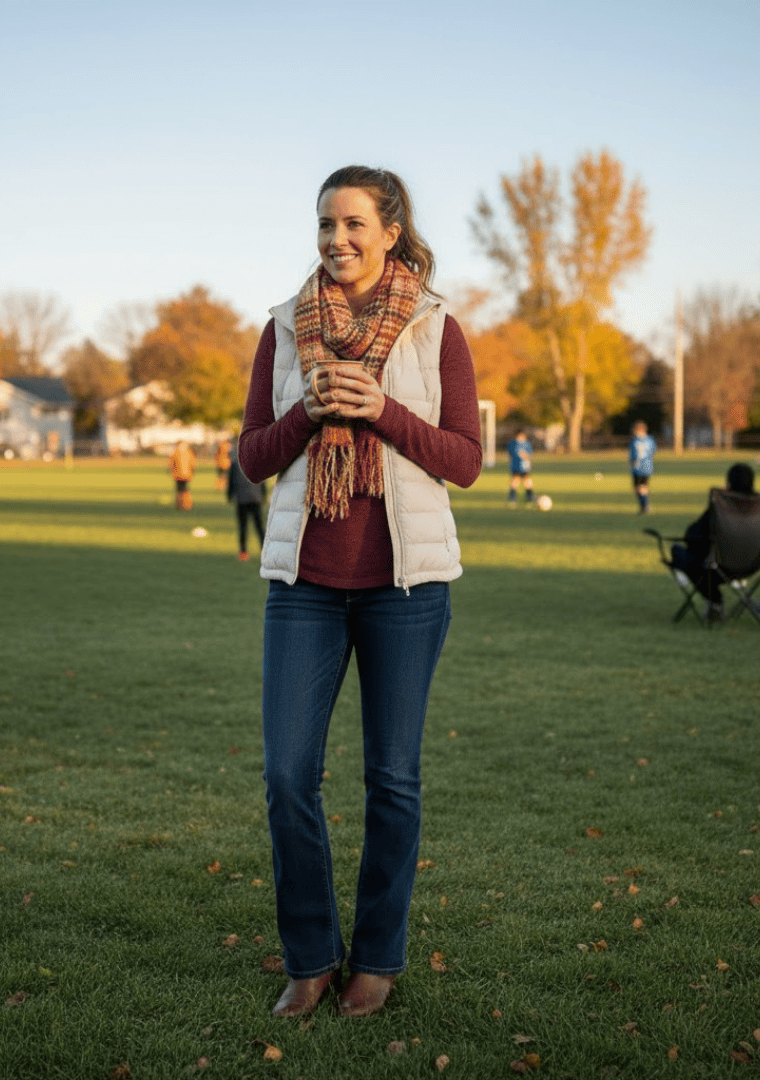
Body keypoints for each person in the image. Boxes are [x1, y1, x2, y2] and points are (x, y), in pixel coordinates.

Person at [237, 165, 481, 1021]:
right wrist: (308, 411)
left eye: (351, 226)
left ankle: (375, 957)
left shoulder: (433, 327)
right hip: (305, 586)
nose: (335, 241)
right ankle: (309, 959)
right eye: (324, 226)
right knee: (285, 775)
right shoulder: (281, 328)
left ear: (388, 231)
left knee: (393, 779)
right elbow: (253, 459)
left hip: (406, 591)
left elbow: (465, 461)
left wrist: (378, 408)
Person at [672, 462, 756, 621]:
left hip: (718, 566)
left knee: (680, 553)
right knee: (701, 561)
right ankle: (715, 602)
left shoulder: (722, 504)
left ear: (729, 482)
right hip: (751, 564)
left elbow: (692, 536)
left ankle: (715, 601)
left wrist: (715, 502)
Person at [226, 449, 265, 561]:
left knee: (243, 526)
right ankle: (264, 551)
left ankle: (243, 552)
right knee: (259, 527)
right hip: (255, 498)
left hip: (242, 499)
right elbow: (262, 482)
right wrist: (262, 496)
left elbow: (231, 481)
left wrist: (230, 495)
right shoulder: (258, 464)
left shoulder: (235, 464)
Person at [627, 421, 657, 515]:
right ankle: (645, 506)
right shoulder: (651, 440)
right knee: (641, 488)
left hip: (638, 467)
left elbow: (632, 455)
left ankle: (644, 506)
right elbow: (653, 452)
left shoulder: (635, 441)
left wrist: (632, 462)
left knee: (639, 488)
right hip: (648, 467)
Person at [506, 428, 534, 507]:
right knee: (514, 482)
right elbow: (512, 454)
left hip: (525, 467)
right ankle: (512, 499)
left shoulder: (527, 444)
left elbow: (529, 455)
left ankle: (529, 499)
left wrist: (526, 456)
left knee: (527, 483)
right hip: (516, 467)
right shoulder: (512, 444)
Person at [169, 441, 196, 511]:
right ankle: (179, 504)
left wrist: (192, 473)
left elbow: (192, 464)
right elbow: (172, 464)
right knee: (180, 490)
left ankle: (186, 504)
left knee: (184, 490)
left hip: (186, 475)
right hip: (178, 475)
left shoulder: (188, 453)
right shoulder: (176, 454)